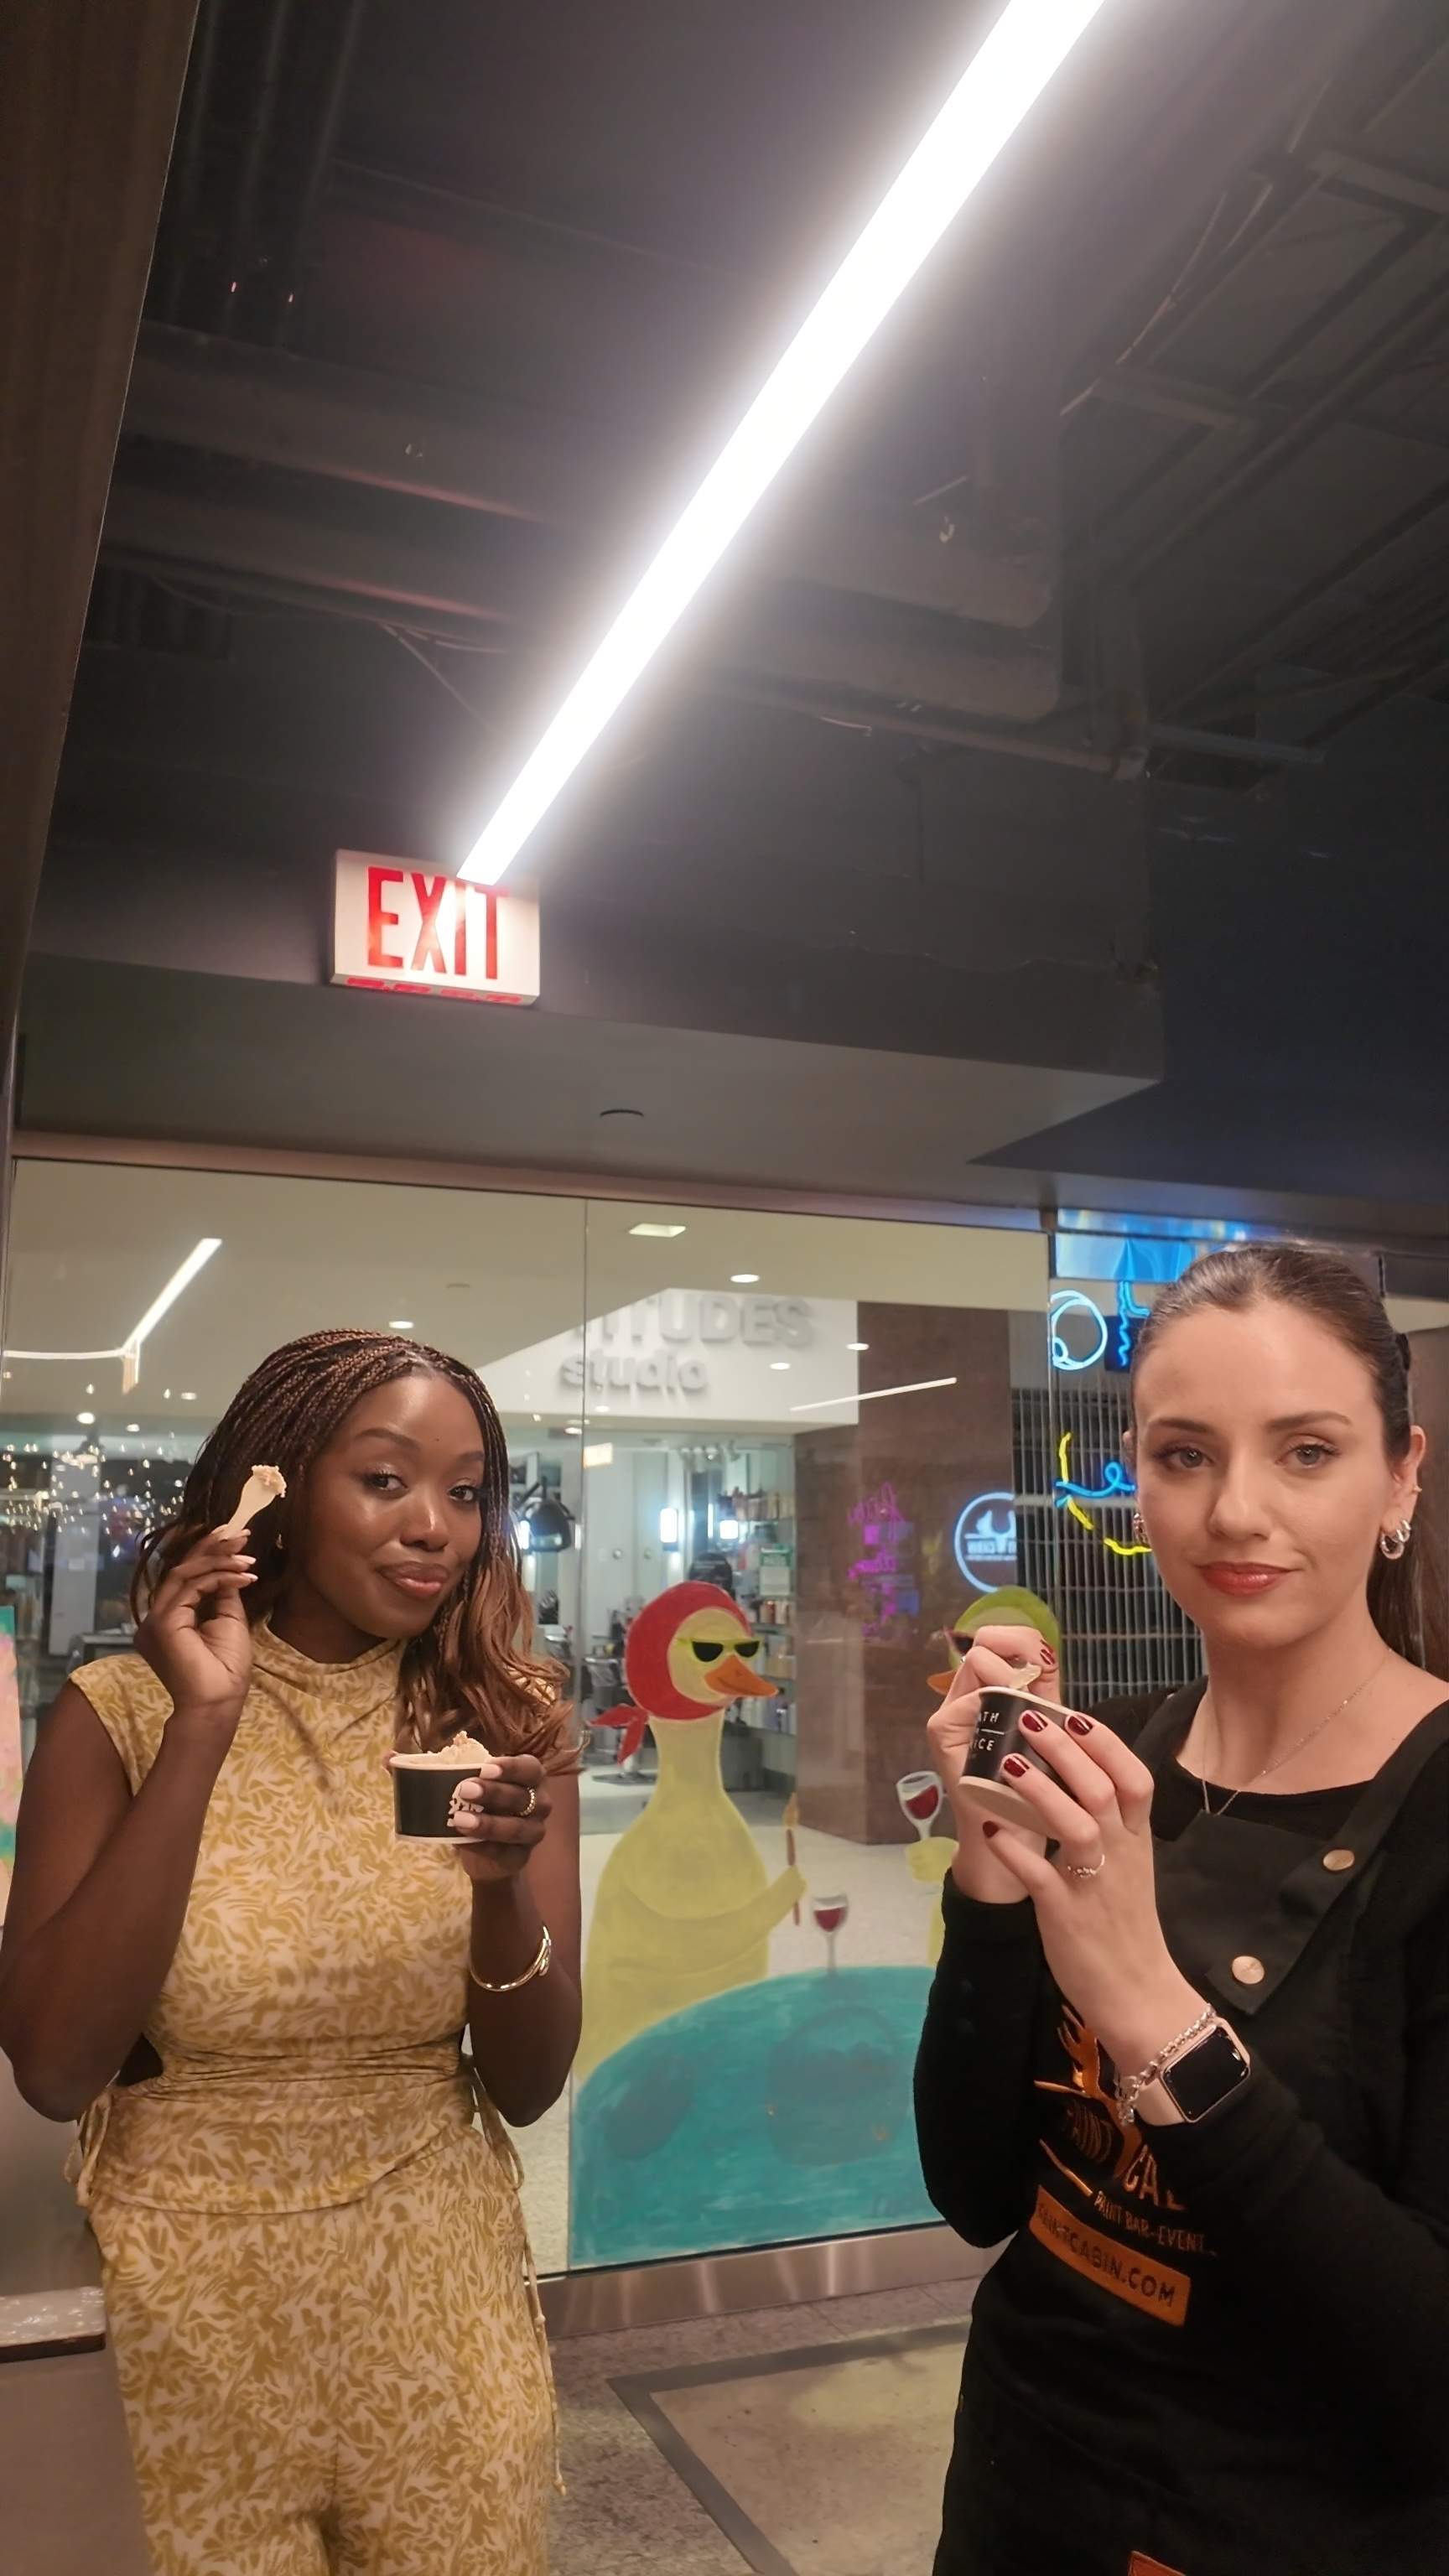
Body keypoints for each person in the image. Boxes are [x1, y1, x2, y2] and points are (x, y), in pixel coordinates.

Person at [0, 1328, 580, 2576]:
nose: (436, 1524)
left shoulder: (502, 1719)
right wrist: (207, 1724)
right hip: (193, 2312)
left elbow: (530, 2085)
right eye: (385, 1480)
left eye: (466, 1490)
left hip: (439, 2303)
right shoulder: (126, 1716)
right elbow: (54, 2064)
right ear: (280, 1490)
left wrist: (500, 1891)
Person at [916, 1244, 1449, 2576]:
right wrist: (992, 1872)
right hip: (1021, 2492)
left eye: (1308, 1451)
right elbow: (981, 2193)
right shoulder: (1124, 1764)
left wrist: (1145, 2002)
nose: (1235, 1511)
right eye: (1185, 1454)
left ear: (1402, 1477)